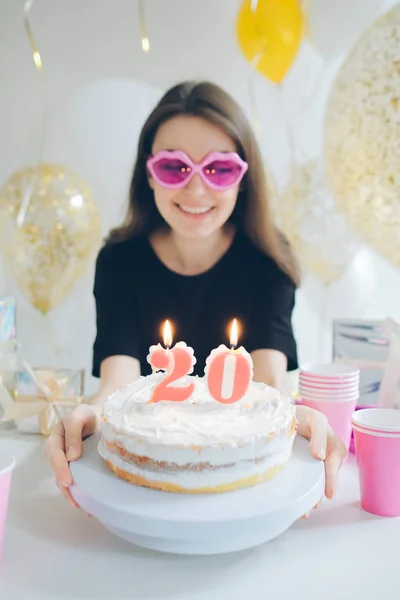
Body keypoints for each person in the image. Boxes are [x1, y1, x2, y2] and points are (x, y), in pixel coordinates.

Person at [45, 81, 346, 509]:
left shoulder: (268, 264)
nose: (197, 189)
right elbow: (117, 382)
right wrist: (87, 415)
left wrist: (297, 415)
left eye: (219, 169)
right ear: (148, 174)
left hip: (244, 499)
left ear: (244, 179)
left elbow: (267, 383)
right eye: (175, 167)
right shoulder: (119, 262)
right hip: (143, 498)